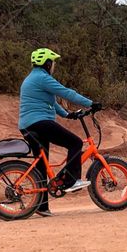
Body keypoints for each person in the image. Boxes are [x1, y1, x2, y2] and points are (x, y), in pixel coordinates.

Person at [18, 47, 98, 217]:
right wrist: (91, 103)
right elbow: (66, 93)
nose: (53, 65)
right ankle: (70, 180)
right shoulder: (43, 78)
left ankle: (41, 206)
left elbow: (51, 102)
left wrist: (67, 114)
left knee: (41, 164)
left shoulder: (31, 78)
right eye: (52, 62)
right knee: (75, 143)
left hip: (27, 126)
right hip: (40, 123)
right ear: (47, 63)